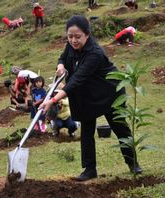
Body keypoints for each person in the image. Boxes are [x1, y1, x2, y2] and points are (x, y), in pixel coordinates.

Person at [40, 15, 142, 181]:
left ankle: (133, 164)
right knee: (87, 131)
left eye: (77, 37)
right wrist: (60, 64)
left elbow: (76, 80)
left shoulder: (95, 53)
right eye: (70, 36)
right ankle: (89, 169)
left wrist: (52, 100)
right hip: (87, 95)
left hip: (109, 93)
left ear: (87, 34)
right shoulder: (71, 45)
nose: (73, 40)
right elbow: (63, 57)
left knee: (120, 127)